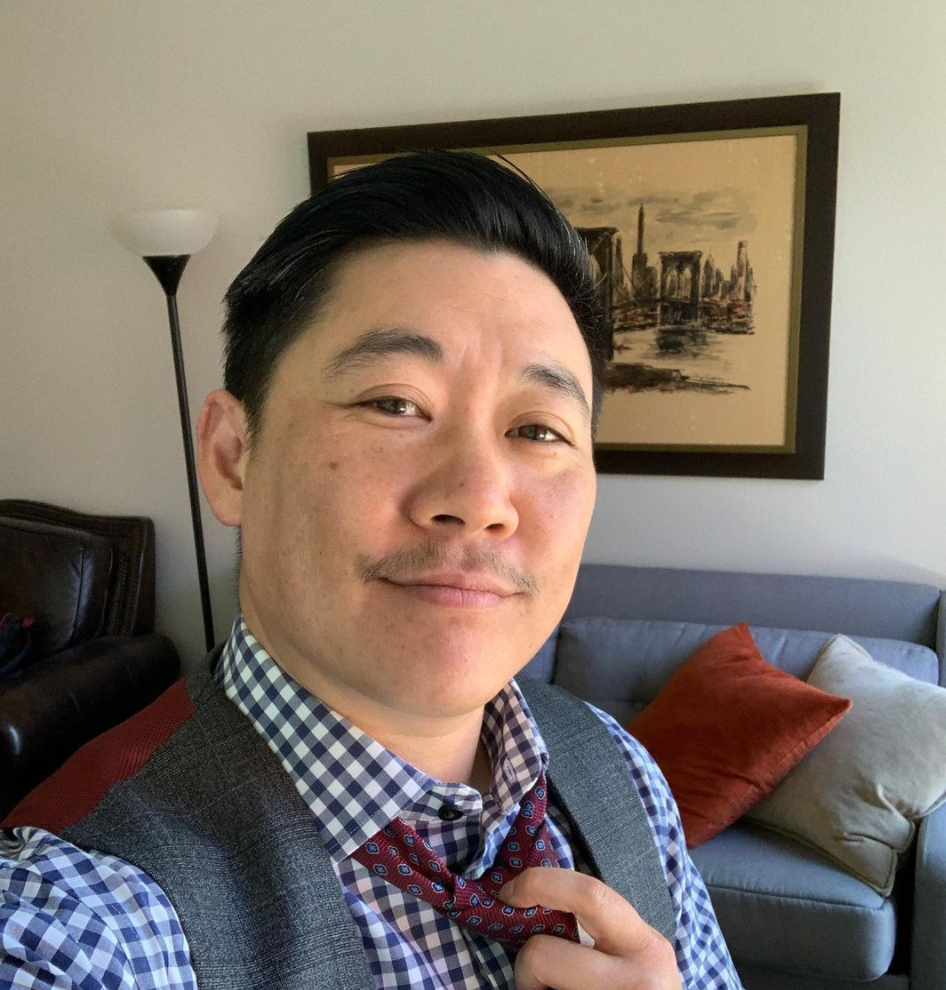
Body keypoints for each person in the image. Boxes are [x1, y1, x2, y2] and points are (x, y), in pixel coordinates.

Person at [0, 150, 743, 990]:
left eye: (539, 430)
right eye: (395, 403)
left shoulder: (620, 773)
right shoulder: (82, 921)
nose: (477, 498)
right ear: (232, 458)